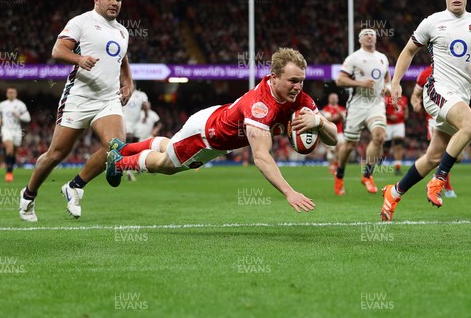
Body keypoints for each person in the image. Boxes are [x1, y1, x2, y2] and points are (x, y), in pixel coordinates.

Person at [106, 48, 338, 213]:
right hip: (207, 138)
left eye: (302, 81)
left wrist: (319, 122)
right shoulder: (260, 106)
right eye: (293, 80)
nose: (298, 87)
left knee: (170, 146)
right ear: (274, 77)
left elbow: (333, 139)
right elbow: (261, 156)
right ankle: (118, 162)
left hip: (213, 118)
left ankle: (124, 148)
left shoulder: (300, 99)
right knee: (167, 165)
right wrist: (289, 192)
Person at [19, 0, 134, 222]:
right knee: (56, 154)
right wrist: (79, 59)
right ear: (97, 0)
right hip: (79, 97)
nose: (114, 3)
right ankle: (29, 194)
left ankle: (75, 186)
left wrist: (128, 82)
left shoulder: (123, 31)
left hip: (108, 100)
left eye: (118, 0)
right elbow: (58, 50)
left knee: (116, 146)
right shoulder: (81, 22)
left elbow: (122, 59)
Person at [381, 0, 471, 221]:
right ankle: (439, 180)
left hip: (461, 95)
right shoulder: (432, 22)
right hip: (436, 90)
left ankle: (394, 192)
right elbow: (408, 51)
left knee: (432, 156)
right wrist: (396, 82)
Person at [332, 28, 391, 196]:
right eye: (366, 34)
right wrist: (360, 83)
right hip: (357, 106)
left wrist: (387, 88)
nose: (370, 36)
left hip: (376, 104)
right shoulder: (354, 58)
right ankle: (339, 174)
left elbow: (387, 77)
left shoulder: (382, 58)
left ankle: (367, 175)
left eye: (372, 34)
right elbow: (340, 80)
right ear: (360, 40)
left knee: (379, 136)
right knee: (349, 145)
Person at [410, 65, 457, 198]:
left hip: (452, 116)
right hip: (434, 119)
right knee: (440, 154)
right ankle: (444, 186)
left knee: (455, 155)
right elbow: (415, 95)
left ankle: (439, 182)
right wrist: (415, 103)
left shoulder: (453, 68)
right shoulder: (425, 73)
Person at [0, 87, 31, 182]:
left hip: (17, 130)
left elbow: (28, 118)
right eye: (9, 92)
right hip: (6, 129)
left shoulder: (20, 105)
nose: (11, 94)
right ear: (6, 94)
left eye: (12, 92)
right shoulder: (2, 104)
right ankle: (9, 172)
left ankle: (11, 168)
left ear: (16, 93)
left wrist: (19, 116)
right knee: (9, 148)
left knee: (14, 150)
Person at [122, 88, 148, 181]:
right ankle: (126, 167)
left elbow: (145, 105)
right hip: (126, 121)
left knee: (136, 145)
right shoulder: (123, 93)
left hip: (137, 123)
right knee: (128, 144)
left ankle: (130, 168)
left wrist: (146, 115)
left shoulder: (141, 95)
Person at [320, 93, 346, 175]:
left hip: (340, 133)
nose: (334, 99)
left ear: (338, 99)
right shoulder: (325, 109)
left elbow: (344, 119)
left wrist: (337, 116)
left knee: (341, 148)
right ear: (329, 99)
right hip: (329, 133)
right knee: (331, 150)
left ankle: (337, 164)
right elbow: (329, 119)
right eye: (332, 98)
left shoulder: (342, 108)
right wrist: (338, 115)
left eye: (335, 98)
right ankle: (332, 165)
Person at [383, 93, 408, 176]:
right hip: (388, 125)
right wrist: (389, 116)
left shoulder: (404, 98)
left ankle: (397, 168)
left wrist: (406, 115)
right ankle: (381, 160)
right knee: (386, 148)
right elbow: (382, 110)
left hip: (399, 124)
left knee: (398, 146)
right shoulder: (387, 99)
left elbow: (405, 109)